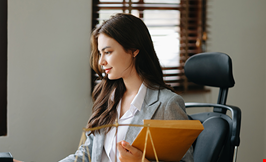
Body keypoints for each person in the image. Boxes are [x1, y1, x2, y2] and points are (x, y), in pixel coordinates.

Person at [58, 13, 193, 162]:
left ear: (134, 50)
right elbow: (87, 154)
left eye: (108, 52)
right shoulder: (107, 96)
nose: (101, 61)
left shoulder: (167, 104)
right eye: (100, 53)